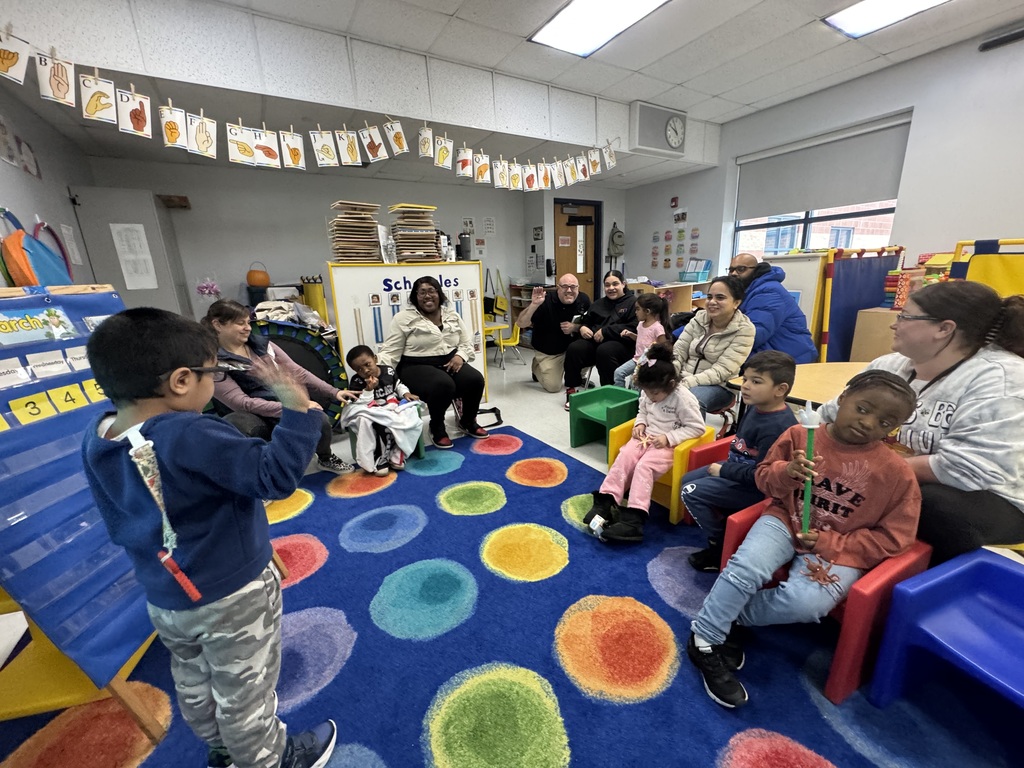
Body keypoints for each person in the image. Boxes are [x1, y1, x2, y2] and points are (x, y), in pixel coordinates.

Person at [81, 308, 338, 768]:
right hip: (230, 592)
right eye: (211, 373)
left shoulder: (100, 435)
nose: (212, 382)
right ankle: (271, 760)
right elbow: (274, 476)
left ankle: (222, 751)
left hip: (167, 596)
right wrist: (298, 407)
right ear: (182, 380)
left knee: (195, 681)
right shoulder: (190, 432)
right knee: (247, 690)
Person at [687, 370, 921, 709]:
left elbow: (896, 539)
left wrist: (831, 545)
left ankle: (729, 617)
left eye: (885, 422)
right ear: (842, 399)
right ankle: (706, 638)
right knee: (745, 567)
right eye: (863, 408)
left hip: (839, 544)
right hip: (785, 517)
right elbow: (764, 480)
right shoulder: (799, 435)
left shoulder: (896, 473)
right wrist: (786, 473)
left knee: (807, 604)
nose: (869, 423)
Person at [819, 281, 1024, 564]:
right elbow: (830, 417)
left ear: (944, 329)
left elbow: (969, 470)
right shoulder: (890, 365)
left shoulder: (1002, 378)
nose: (895, 324)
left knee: (926, 503)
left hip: (989, 497)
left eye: (905, 316)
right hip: (894, 474)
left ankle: (920, 579)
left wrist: (866, 469)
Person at [202, 299, 355, 475]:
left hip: (281, 400)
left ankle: (325, 457)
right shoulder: (216, 362)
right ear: (218, 325)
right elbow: (241, 403)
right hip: (253, 414)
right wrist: (295, 408)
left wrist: (334, 392)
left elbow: (297, 372)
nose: (248, 328)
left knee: (317, 417)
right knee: (241, 425)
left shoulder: (263, 345)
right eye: (240, 323)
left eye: (248, 322)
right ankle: (259, 473)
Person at [681, 351, 799, 572]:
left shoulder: (778, 428)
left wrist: (723, 471)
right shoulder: (755, 406)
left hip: (754, 488)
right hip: (734, 471)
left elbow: (760, 477)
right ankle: (723, 519)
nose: (745, 386)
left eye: (756, 382)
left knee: (690, 491)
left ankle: (718, 545)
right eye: (745, 379)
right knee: (687, 479)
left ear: (780, 390)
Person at [582, 342, 706, 543]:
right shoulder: (649, 390)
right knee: (625, 456)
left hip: (670, 445)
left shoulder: (683, 398)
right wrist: (640, 424)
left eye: (655, 394)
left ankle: (634, 520)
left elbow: (697, 427)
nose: (651, 398)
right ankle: (605, 501)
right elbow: (643, 411)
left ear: (671, 385)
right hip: (646, 437)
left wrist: (669, 438)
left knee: (644, 467)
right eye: (647, 393)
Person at [378, 275, 488, 448]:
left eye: (431, 291)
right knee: (443, 384)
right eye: (421, 293)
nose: (427, 296)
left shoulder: (452, 314)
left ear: (439, 294)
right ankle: (437, 427)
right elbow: (390, 351)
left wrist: (460, 356)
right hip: (415, 365)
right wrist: (381, 374)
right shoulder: (403, 318)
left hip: (450, 361)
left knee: (475, 380)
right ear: (415, 297)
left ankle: (467, 421)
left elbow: (466, 343)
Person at [672, 275, 755, 415]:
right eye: (709, 297)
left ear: (736, 303)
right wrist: (669, 373)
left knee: (691, 400)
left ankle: (690, 437)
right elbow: (678, 351)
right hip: (684, 377)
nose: (712, 302)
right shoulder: (698, 319)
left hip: (719, 386)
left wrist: (687, 382)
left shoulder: (745, 329)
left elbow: (722, 370)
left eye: (720, 298)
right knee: (648, 388)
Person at [562, 270, 638, 410]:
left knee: (605, 351)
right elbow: (586, 321)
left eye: (615, 284)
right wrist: (583, 328)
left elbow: (634, 327)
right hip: (595, 343)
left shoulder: (633, 303)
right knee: (575, 348)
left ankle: (609, 393)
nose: (611, 288)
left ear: (623, 284)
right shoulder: (598, 304)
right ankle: (572, 391)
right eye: (607, 285)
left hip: (622, 345)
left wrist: (606, 331)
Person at [342, 344, 421, 476]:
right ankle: (380, 459)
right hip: (373, 409)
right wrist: (368, 389)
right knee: (370, 422)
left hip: (391, 405)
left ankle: (398, 451)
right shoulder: (357, 381)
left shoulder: (388, 371)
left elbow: (398, 385)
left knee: (411, 415)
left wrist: (406, 394)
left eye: (368, 364)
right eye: (359, 369)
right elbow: (360, 404)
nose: (365, 370)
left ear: (375, 359)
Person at [728, 253, 818, 364]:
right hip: (771, 355)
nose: (734, 274)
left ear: (756, 270)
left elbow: (754, 334)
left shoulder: (769, 292)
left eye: (741, 269)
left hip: (789, 360)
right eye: (731, 270)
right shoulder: (748, 290)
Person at [515, 274, 591, 393]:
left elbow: (589, 324)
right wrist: (534, 304)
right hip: (549, 350)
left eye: (573, 287)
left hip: (572, 347)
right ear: (558, 288)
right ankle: (537, 366)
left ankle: (578, 375)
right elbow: (521, 323)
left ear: (578, 288)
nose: (569, 290)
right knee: (554, 387)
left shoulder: (584, 299)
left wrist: (575, 327)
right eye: (565, 286)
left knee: (590, 350)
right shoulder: (544, 300)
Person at [614, 293, 670, 388]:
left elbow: (663, 347)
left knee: (634, 384)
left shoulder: (657, 328)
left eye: (638, 309)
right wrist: (631, 335)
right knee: (618, 373)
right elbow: (642, 339)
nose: (635, 312)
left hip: (647, 363)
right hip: (636, 360)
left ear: (647, 311)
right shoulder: (640, 324)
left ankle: (636, 401)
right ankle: (621, 395)